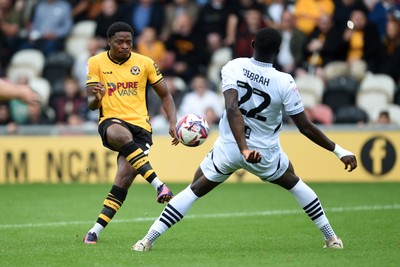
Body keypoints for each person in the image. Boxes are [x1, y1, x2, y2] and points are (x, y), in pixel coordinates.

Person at [132, 27, 358, 252]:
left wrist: (241, 148)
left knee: (194, 190)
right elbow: (305, 127)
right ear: (278, 51)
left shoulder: (234, 66)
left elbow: (232, 108)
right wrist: (339, 150)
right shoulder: (285, 81)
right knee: (296, 184)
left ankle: (147, 240)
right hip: (264, 153)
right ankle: (332, 238)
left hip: (230, 147)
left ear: (252, 45)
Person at [83, 21, 179, 244]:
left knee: (124, 178)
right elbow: (91, 103)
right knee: (121, 135)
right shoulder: (96, 62)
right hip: (111, 121)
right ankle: (158, 185)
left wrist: (173, 122)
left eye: (128, 42)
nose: (125, 46)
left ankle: (95, 230)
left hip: (141, 128)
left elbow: (165, 95)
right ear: (109, 42)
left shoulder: (145, 63)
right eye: (119, 42)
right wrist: (96, 98)